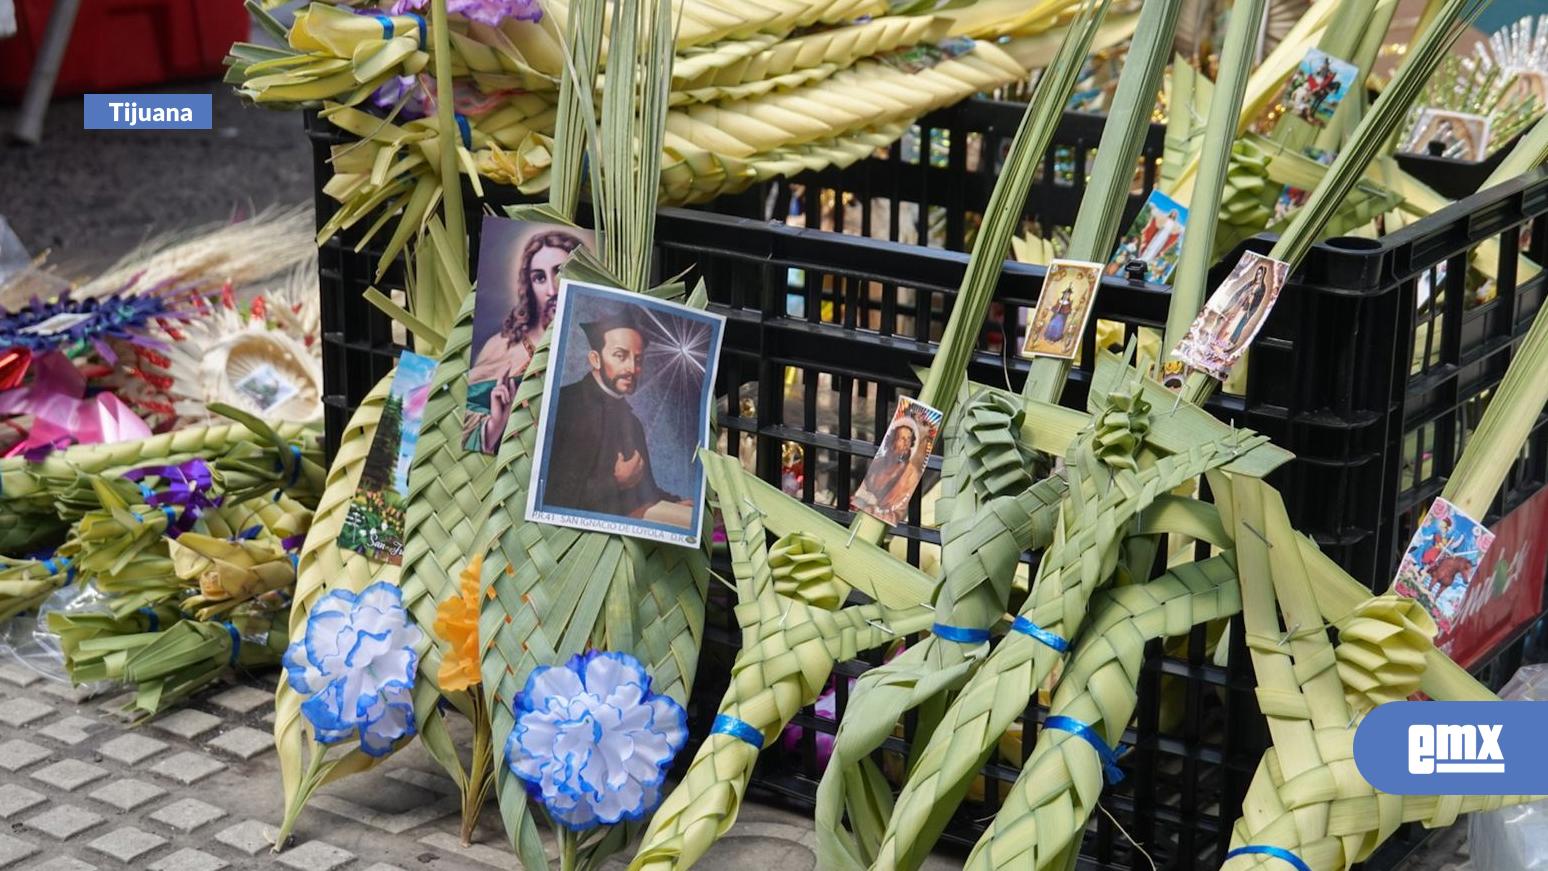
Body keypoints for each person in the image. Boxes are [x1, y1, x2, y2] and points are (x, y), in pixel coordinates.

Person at [539, 310, 692, 527]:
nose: (632, 368)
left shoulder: (632, 423)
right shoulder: (563, 404)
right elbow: (550, 497)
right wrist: (616, 482)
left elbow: (644, 490)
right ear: (595, 359)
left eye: (638, 360)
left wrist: (676, 503)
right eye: (620, 356)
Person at [464, 229, 587, 451]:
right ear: (529, 286)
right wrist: (495, 425)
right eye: (540, 278)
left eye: (562, 273)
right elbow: (462, 419)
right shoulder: (502, 347)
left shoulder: (601, 345)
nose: (552, 289)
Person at [854, 416, 923, 523]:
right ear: (893, 441)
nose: (906, 443)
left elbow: (897, 512)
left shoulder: (910, 473)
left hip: (879, 522)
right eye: (902, 439)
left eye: (909, 439)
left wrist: (872, 509)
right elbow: (862, 492)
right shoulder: (879, 463)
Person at [1220, 263, 1273, 347]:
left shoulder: (1262, 288)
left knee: (1238, 325)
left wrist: (1252, 299)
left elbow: (1258, 302)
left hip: (1248, 310)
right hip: (1240, 306)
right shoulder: (1251, 283)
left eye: (1260, 273)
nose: (1258, 275)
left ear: (1263, 275)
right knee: (1230, 322)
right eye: (1257, 273)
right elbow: (1240, 292)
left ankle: (1231, 342)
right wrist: (1244, 295)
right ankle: (1222, 340)